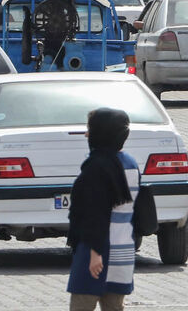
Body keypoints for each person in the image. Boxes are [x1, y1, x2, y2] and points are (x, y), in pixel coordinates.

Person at [65, 108, 139, 311]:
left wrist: (95, 253)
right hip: (122, 251)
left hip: (96, 252)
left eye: (90, 129)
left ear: (100, 132)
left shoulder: (96, 167)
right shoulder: (131, 164)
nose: (87, 134)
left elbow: (95, 213)